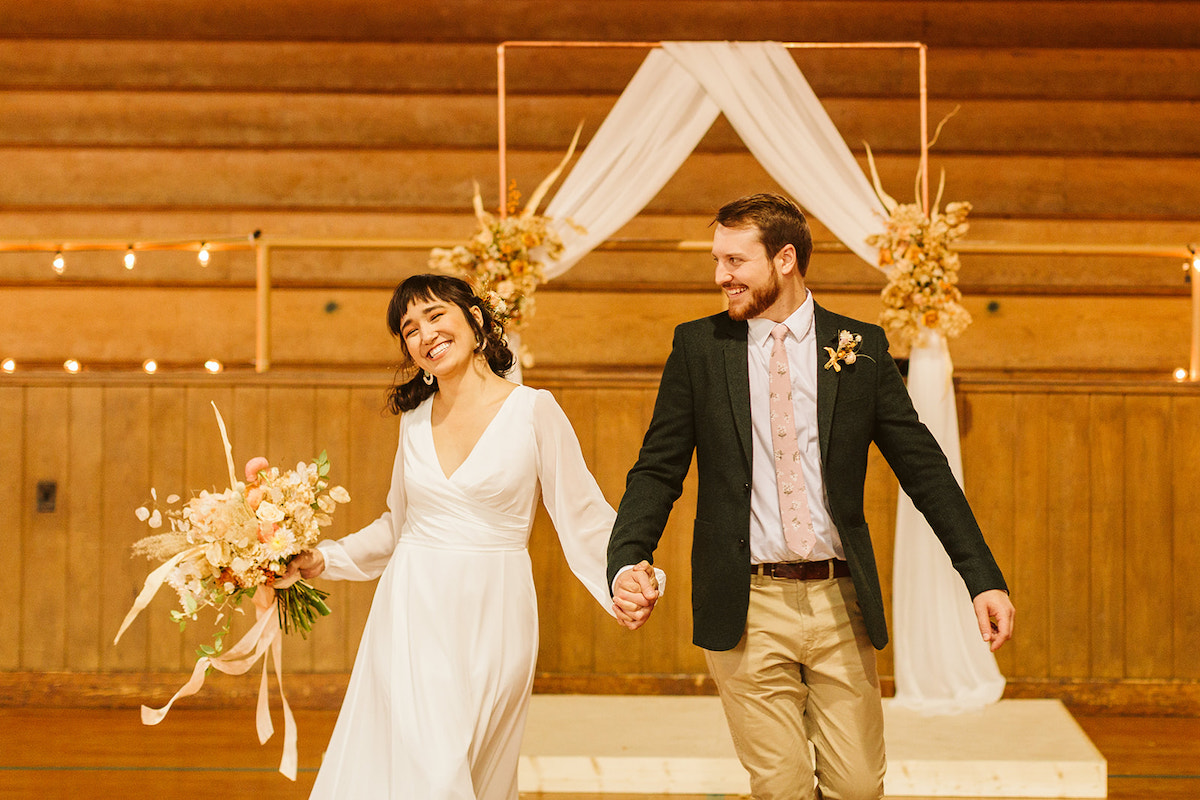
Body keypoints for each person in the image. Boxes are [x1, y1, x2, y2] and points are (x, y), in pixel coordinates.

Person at [607, 193, 1014, 800]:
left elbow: (925, 470)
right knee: (782, 786)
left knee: (857, 786)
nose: (721, 276)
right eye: (718, 260)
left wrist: (981, 576)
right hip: (746, 601)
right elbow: (657, 469)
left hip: (840, 600)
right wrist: (625, 559)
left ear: (786, 259)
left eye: (735, 261)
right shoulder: (699, 348)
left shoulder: (861, 347)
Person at [283, 274, 658, 799]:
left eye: (435, 315)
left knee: (478, 772)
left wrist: (626, 575)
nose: (423, 334)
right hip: (411, 610)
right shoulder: (413, 421)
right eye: (408, 329)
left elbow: (584, 516)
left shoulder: (534, 410)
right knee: (430, 772)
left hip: (496, 612)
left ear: (475, 319)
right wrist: (324, 558)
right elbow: (398, 524)